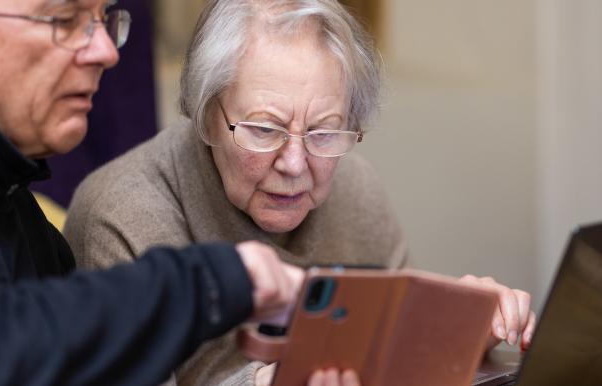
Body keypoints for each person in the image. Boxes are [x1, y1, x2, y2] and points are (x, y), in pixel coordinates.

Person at [64, 0, 536, 385]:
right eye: (265, 129)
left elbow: (391, 362)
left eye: (324, 132)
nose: (294, 165)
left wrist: (460, 331)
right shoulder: (121, 214)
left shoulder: (355, 189)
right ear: (207, 116)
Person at [0, 0, 321, 384]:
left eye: (103, 19)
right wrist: (216, 281)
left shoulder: (17, 209)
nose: (105, 50)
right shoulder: (117, 209)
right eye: (66, 20)